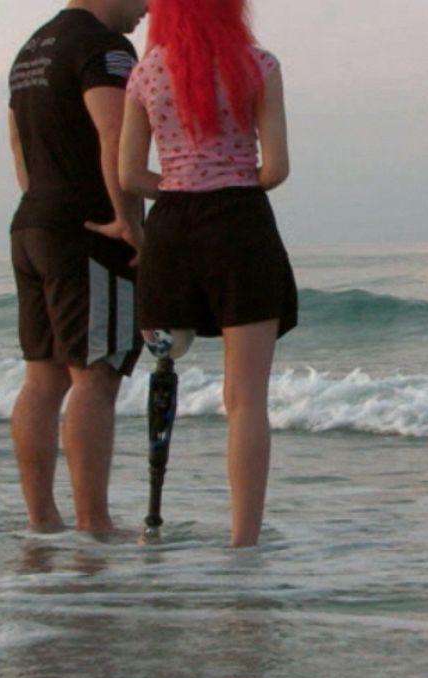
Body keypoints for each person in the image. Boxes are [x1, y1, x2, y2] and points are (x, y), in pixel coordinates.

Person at [118, 0, 297, 547]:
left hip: (173, 230)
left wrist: (179, 184)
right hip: (239, 223)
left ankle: (153, 516)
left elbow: (129, 173)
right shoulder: (258, 65)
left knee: (168, 358)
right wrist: (230, 178)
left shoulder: (145, 73)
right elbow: (276, 169)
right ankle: (243, 541)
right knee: (245, 400)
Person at [6, 0, 150, 535]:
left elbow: (18, 143)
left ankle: (43, 522)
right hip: (88, 230)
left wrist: (44, 202)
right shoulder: (105, 47)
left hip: (33, 222)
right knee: (96, 373)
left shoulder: (31, 50)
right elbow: (116, 135)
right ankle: (95, 523)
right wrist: (128, 221)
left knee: (42, 380)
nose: (149, 8)